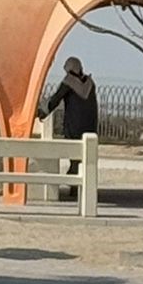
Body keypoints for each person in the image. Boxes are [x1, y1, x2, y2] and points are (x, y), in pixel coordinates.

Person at [41, 56, 98, 199]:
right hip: (90, 126)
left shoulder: (69, 82)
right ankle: (76, 187)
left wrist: (42, 112)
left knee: (74, 156)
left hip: (74, 125)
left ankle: (73, 184)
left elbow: (55, 99)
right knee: (83, 158)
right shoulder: (90, 83)